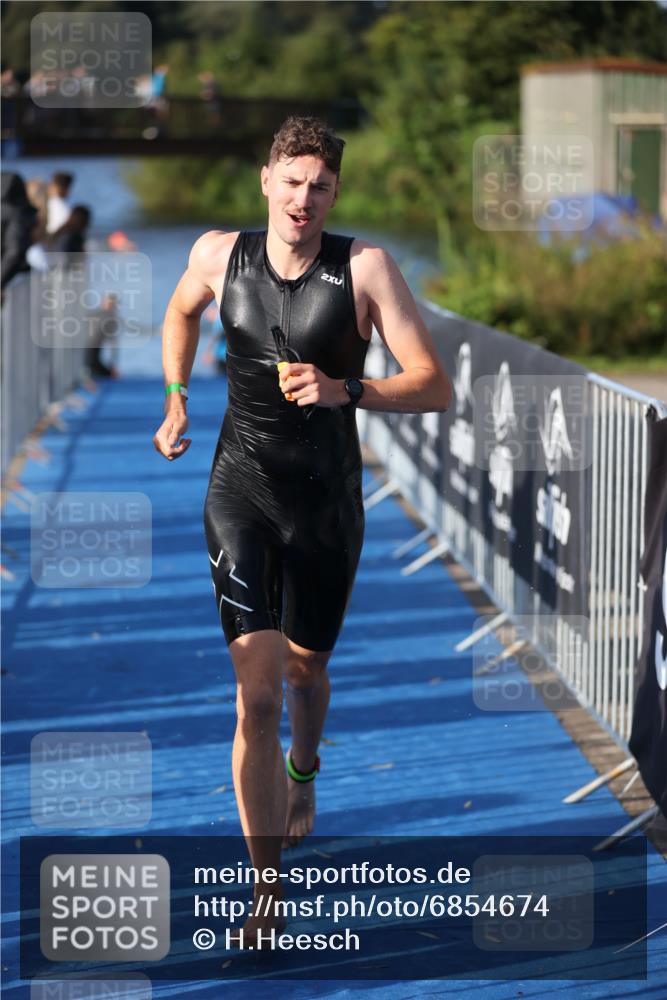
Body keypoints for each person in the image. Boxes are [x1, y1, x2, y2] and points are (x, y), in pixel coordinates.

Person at [152, 116, 452, 944]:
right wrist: (176, 395)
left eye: (319, 185)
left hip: (327, 502)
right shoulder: (219, 255)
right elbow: (177, 314)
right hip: (238, 489)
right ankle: (265, 890)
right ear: (265, 181)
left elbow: (433, 385)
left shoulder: (365, 268)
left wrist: (343, 391)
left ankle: (306, 770)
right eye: (291, 181)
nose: (303, 198)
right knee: (254, 693)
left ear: (334, 193)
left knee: (305, 673)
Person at [1, 172, 37, 292]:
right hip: (13, 278)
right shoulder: (20, 213)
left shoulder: (9, 213)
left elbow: (14, 251)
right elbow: (15, 251)